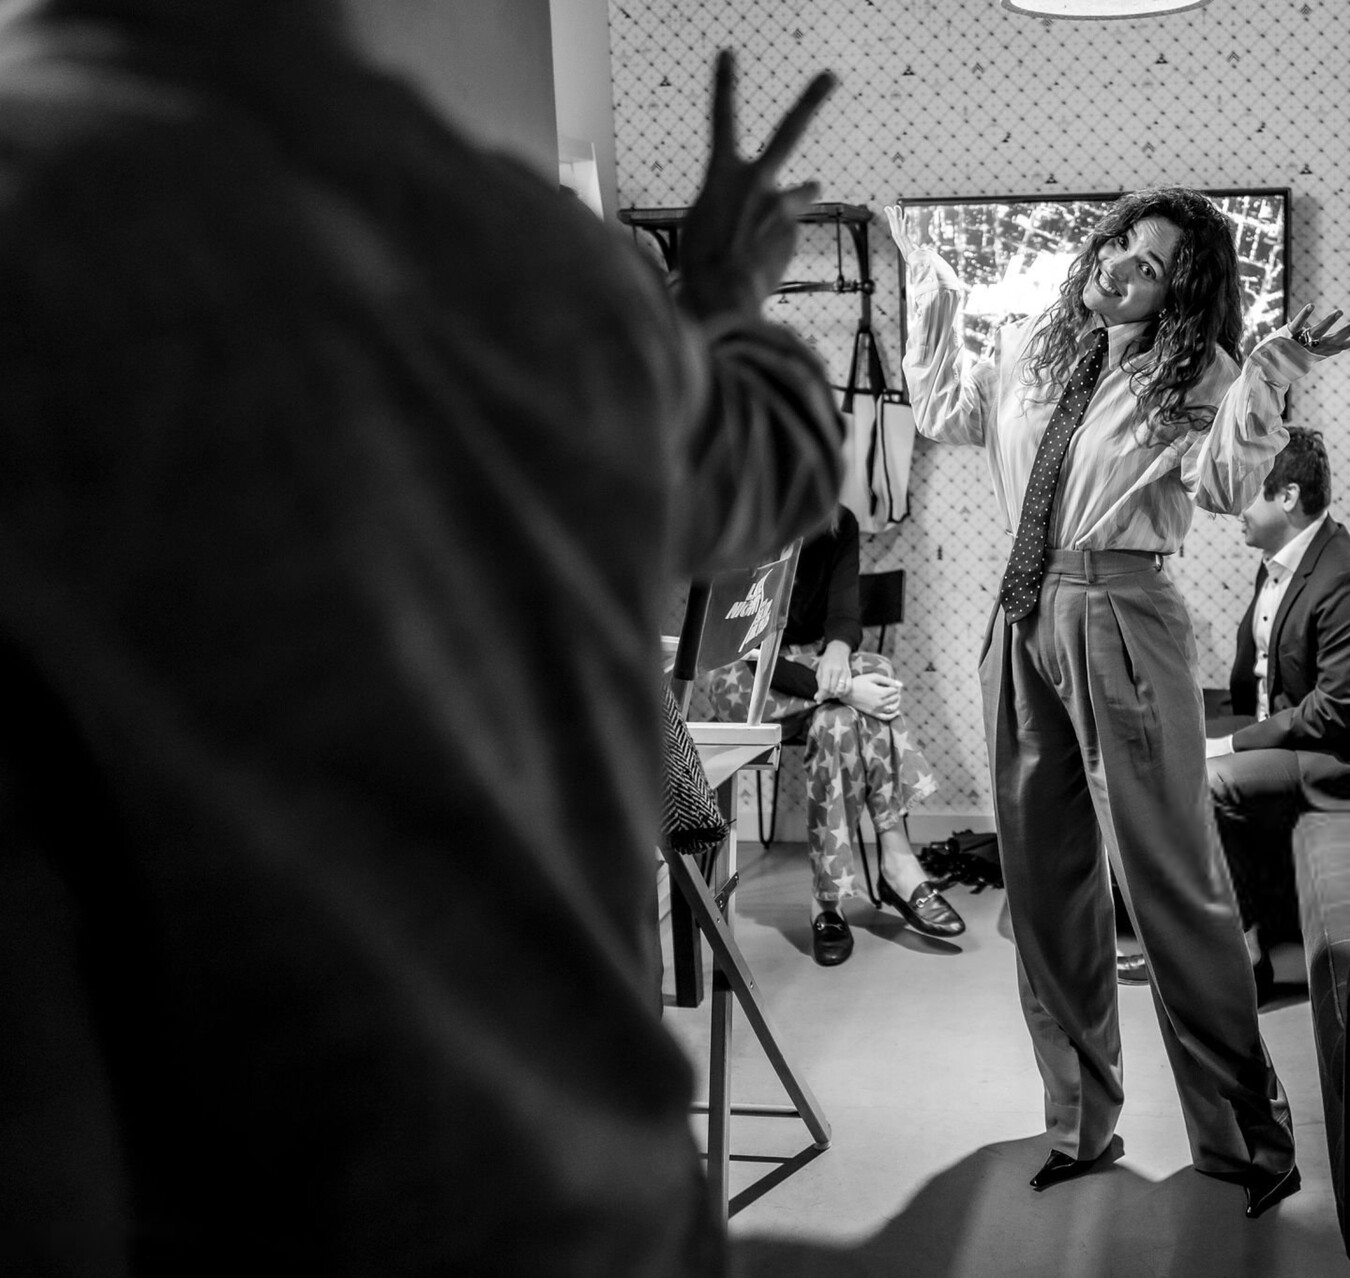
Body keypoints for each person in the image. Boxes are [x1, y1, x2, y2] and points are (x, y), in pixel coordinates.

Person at [0, 4, 843, 1272]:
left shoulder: (36, 218)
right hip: (582, 1200)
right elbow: (779, 469)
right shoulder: (532, 254)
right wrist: (722, 295)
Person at [888, 188, 1350, 1218]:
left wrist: (1275, 370)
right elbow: (942, 410)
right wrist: (928, 282)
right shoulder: (1034, 346)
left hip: (1123, 609)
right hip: (1022, 611)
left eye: (1150, 266)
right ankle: (1077, 1122)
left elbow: (1227, 488)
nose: (1120, 266)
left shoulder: (1201, 372)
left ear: (1178, 293)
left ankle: (1246, 1139)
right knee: (1042, 880)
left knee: (1171, 882)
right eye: (1119, 245)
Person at [1191, 430, 1350, 987]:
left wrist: (1232, 745)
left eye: (1248, 489)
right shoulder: (1279, 561)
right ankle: (1195, 933)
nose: (1235, 505)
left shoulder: (1349, 579)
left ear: (1287, 496)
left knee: (1210, 781)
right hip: (1295, 732)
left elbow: (1336, 712)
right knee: (1170, 753)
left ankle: (1242, 962)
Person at [705, 505, 961, 966]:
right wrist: (841, 688)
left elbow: (845, 611)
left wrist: (839, 652)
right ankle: (897, 862)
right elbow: (743, 644)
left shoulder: (837, 521)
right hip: (746, 675)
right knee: (862, 691)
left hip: (810, 670)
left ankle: (828, 901)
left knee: (838, 721)